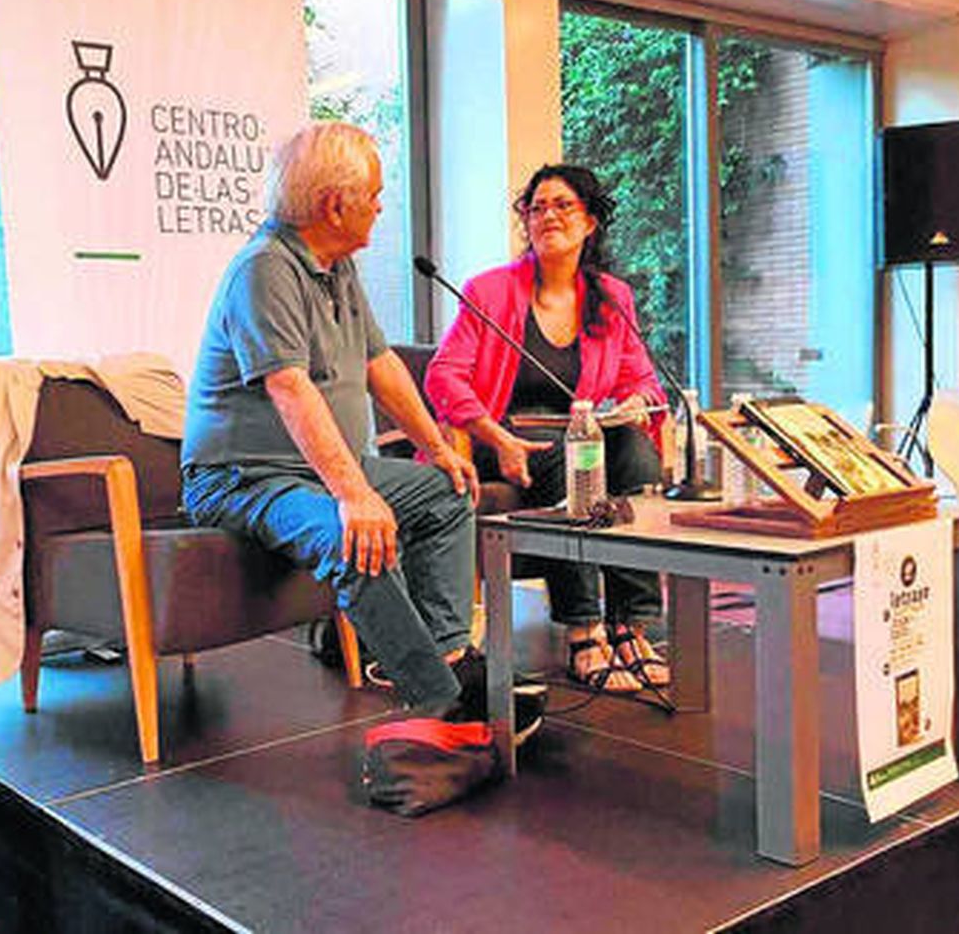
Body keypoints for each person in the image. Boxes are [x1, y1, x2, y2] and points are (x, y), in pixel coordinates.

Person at [183, 121, 515, 729]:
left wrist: (435, 446)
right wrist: (354, 493)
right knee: (352, 534)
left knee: (448, 491)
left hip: (315, 470)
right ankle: (437, 698)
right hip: (244, 478)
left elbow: (378, 363)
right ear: (336, 205)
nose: (382, 205)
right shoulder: (264, 269)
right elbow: (289, 386)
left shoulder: (335, 267)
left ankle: (449, 652)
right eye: (375, 194)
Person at [424, 163, 671, 695]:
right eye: (537, 207)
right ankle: (583, 627)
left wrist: (633, 402)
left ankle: (631, 624)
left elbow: (645, 381)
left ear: (590, 222)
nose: (548, 215)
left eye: (563, 205)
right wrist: (495, 436)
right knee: (575, 455)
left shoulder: (612, 297)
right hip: (501, 439)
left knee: (634, 453)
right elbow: (444, 375)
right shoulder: (489, 292)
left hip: (580, 435)